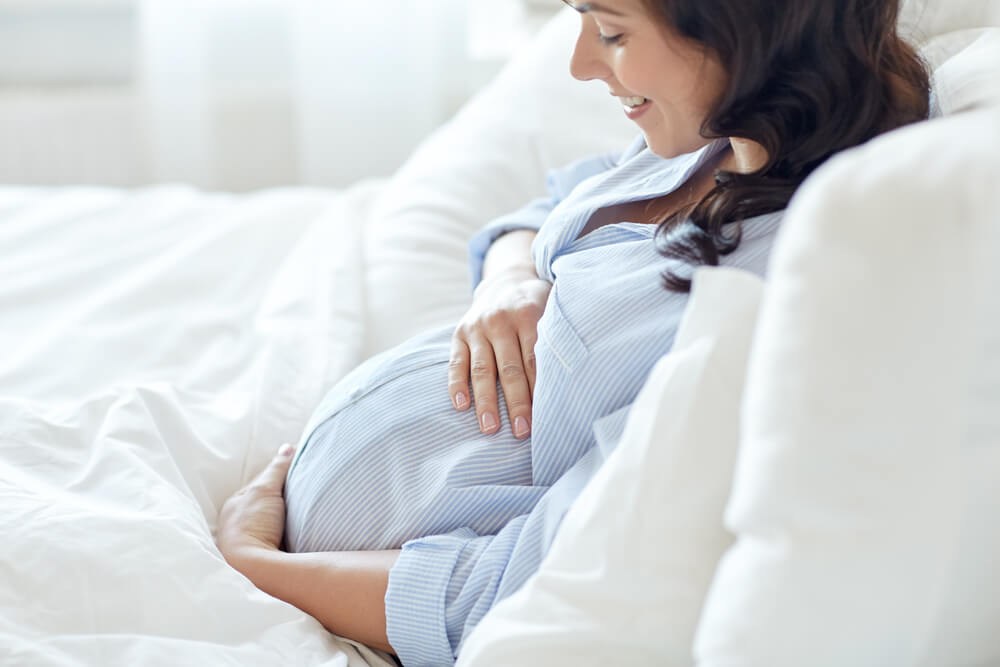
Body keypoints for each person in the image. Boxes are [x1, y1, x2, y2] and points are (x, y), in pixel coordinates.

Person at [215, 1, 931, 664]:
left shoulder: (759, 296)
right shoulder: (713, 143)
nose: (580, 63)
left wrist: (260, 569)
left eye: (612, 33)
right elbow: (549, 205)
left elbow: (524, 581)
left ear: (742, 31)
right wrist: (511, 279)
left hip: (339, 596)